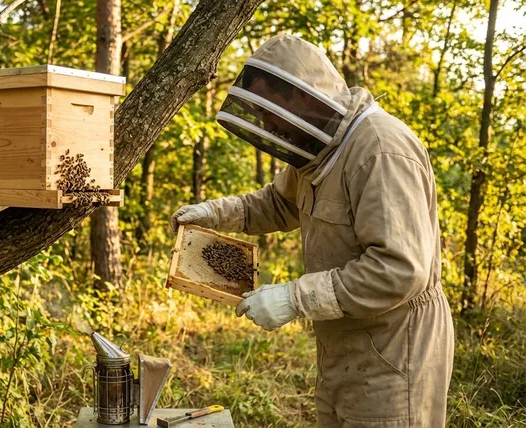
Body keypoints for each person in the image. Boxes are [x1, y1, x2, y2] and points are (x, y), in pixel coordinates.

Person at [170, 34, 454, 427]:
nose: (266, 121)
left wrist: (295, 298)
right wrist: (213, 213)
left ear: (304, 95)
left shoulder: (379, 149)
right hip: (343, 342)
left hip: (394, 346)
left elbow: (399, 269)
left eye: (271, 108)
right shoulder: (320, 150)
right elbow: (278, 203)